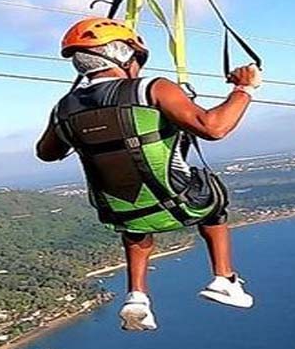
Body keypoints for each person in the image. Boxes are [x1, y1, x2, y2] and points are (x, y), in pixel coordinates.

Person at [36, 17, 260, 331]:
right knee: (214, 200)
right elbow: (214, 127)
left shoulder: (65, 108)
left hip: (120, 210)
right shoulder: (151, 88)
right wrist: (243, 88)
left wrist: (73, 119)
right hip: (181, 201)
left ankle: (137, 295)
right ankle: (224, 277)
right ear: (125, 55)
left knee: (135, 222)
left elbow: (47, 153)